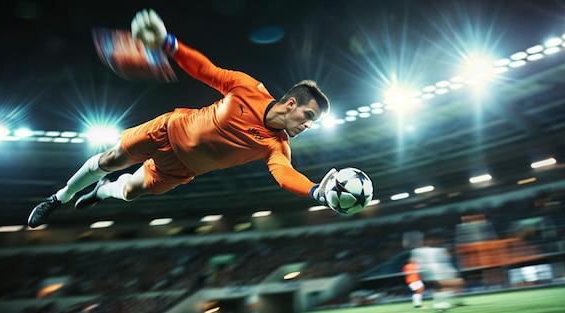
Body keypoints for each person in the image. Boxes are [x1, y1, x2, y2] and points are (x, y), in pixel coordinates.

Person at [27, 9, 336, 228]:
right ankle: (59, 198)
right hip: (168, 131)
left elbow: (284, 176)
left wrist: (314, 191)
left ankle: (102, 190)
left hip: (182, 168)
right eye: (308, 115)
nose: (308, 125)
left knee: (130, 192)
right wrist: (166, 43)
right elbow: (205, 70)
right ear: (291, 103)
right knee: (111, 159)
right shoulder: (247, 88)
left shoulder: (277, 146)